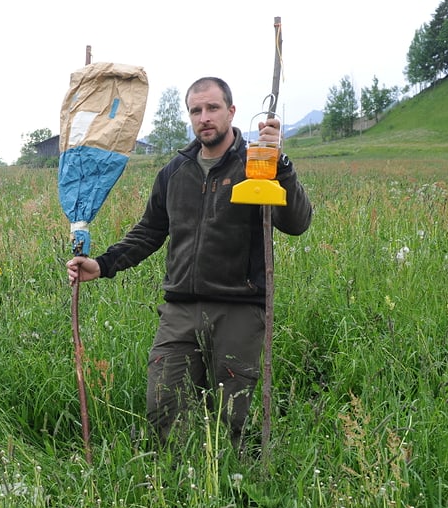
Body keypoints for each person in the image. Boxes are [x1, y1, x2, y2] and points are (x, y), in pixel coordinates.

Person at [66, 77, 312, 453]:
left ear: (231, 112)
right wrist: (102, 264)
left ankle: (239, 494)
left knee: (233, 418)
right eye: (196, 110)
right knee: (163, 405)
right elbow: (150, 231)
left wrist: (281, 165)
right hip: (180, 310)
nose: (204, 117)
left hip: (240, 310)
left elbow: (297, 223)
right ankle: (180, 487)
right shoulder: (174, 172)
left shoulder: (257, 164)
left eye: (212, 108)